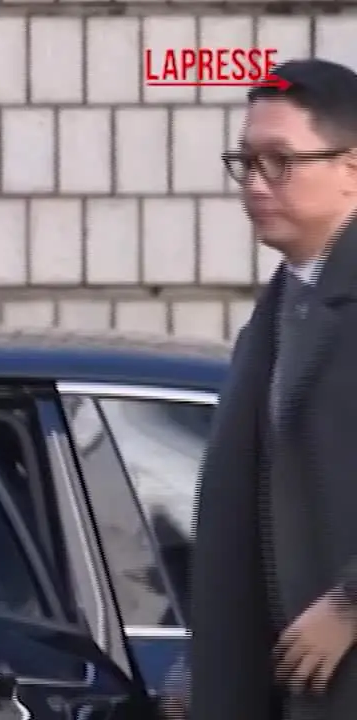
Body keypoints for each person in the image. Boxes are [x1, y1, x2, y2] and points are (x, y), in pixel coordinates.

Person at [190, 58, 357, 720]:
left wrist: (351, 603)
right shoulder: (283, 304)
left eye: (280, 162)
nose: (255, 184)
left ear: (351, 167)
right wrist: (203, 668)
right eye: (246, 162)